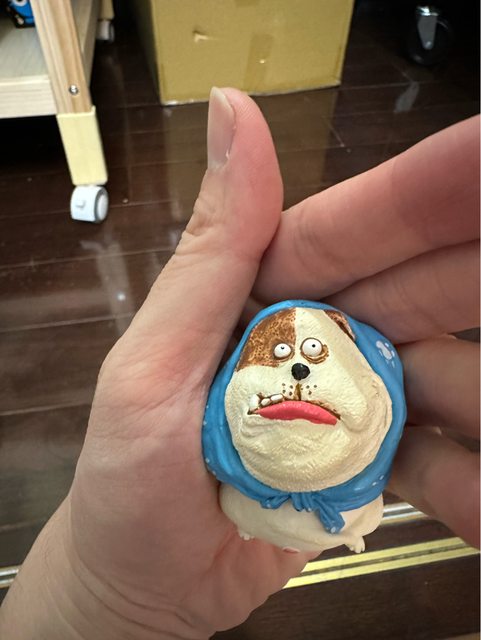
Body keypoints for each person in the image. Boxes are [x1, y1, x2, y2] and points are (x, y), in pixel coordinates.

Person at [0, 88, 479, 640]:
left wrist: (97, 602)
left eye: (310, 356)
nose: (298, 369)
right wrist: (98, 597)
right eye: (283, 355)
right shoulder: (229, 441)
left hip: (346, 493)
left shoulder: (371, 391)